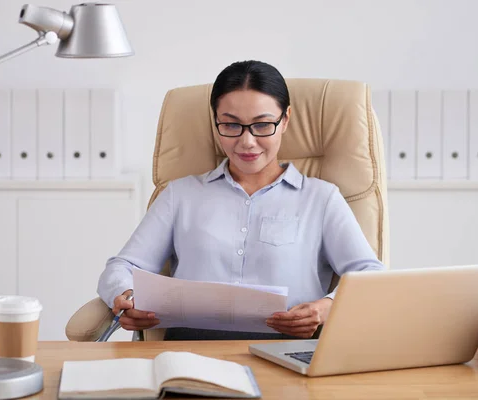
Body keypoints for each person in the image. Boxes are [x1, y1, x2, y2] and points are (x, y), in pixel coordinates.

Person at [97, 60, 385, 341]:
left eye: (262, 125)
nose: (247, 142)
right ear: (216, 122)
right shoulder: (180, 194)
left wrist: (325, 308)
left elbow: (369, 275)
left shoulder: (321, 198)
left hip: (286, 349)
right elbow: (122, 266)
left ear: (284, 120)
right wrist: (126, 296)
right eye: (231, 125)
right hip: (189, 350)